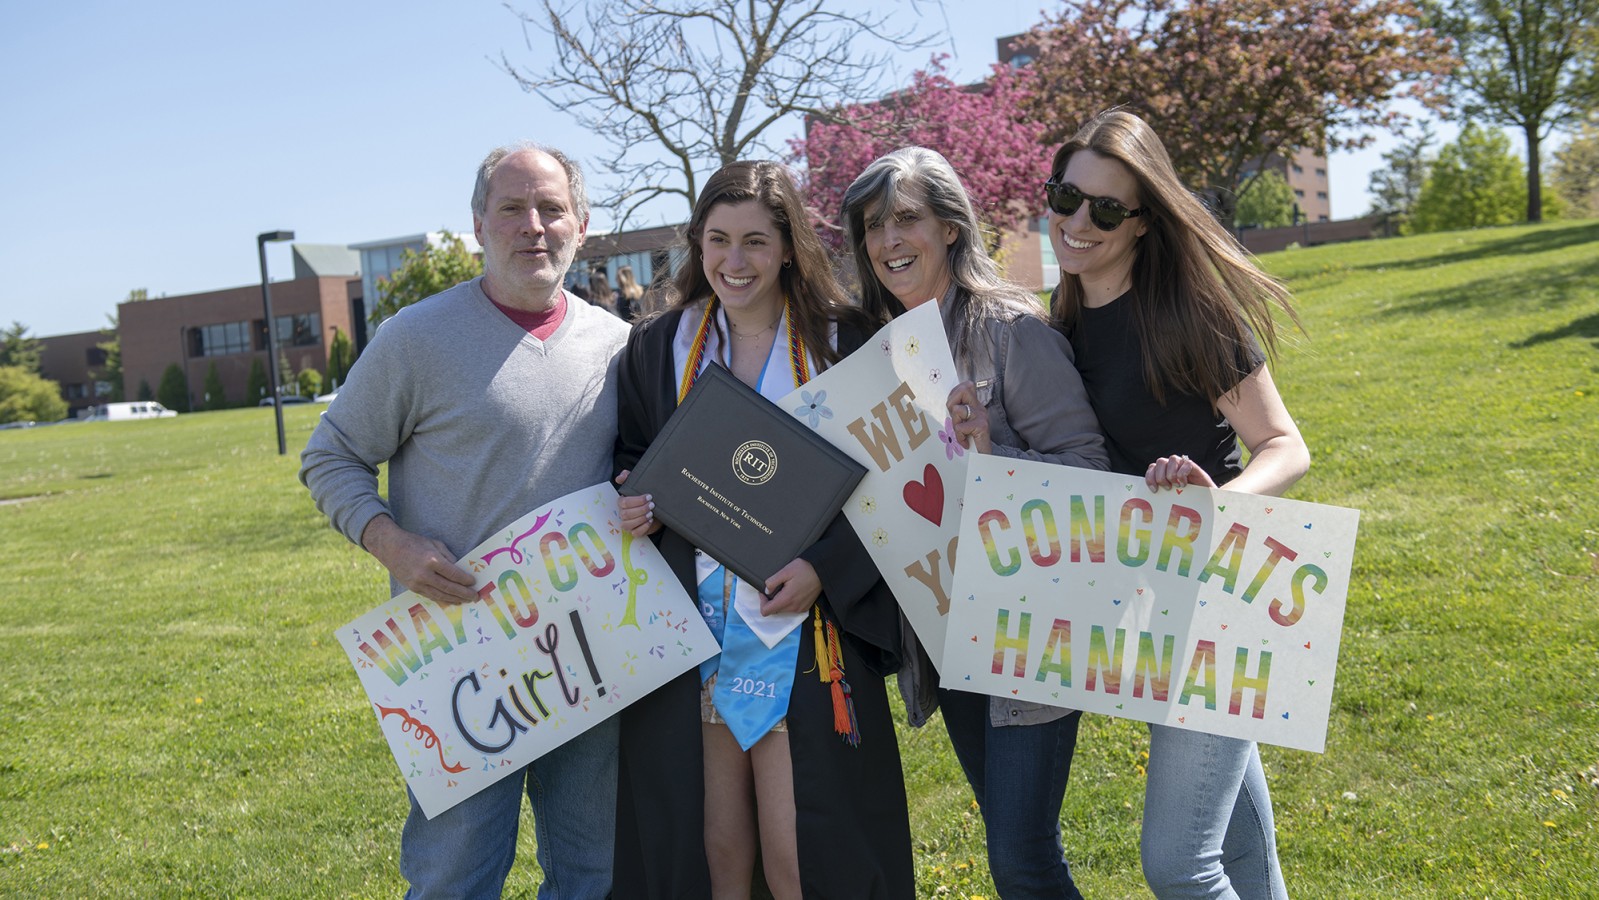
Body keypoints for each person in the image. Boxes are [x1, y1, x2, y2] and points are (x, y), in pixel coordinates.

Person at [299, 143, 631, 900]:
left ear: (581, 223)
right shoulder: (416, 338)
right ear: (478, 223)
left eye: (550, 209)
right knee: (454, 875)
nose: (533, 226)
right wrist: (393, 544)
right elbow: (332, 457)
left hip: (592, 649)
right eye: (512, 208)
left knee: (597, 874)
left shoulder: (618, 344)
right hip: (456, 655)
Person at [612, 160, 913, 899]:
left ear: (787, 247)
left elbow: (899, 478)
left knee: (800, 851)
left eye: (754, 241)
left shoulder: (846, 341)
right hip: (697, 629)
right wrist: (629, 500)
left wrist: (826, 568)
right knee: (715, 848)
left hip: (806, 629)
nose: (733, 262)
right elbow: (630, 456)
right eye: (716, 240)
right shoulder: (660, 346)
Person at [1047, 109, 1308, 899]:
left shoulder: (1185, 315)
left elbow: (1285, 446)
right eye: (1065, 197)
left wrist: (1217, 503)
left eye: (1106, 209)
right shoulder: (1055, 321)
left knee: (1179, 867)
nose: (1077, 221)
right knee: (1238, 853)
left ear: (1142, 223)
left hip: (1218, 599)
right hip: (1143, 605)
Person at [840, 146, 1109, 899]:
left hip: (1031, 627)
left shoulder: (1008, 331)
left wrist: (993, 456)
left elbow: (1090, 470)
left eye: (906, 219)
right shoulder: (875, 354)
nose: (889, 241)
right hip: (945, 628)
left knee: (1019, 857)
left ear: (950, 228)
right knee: (1008, 837)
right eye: (872, 227)